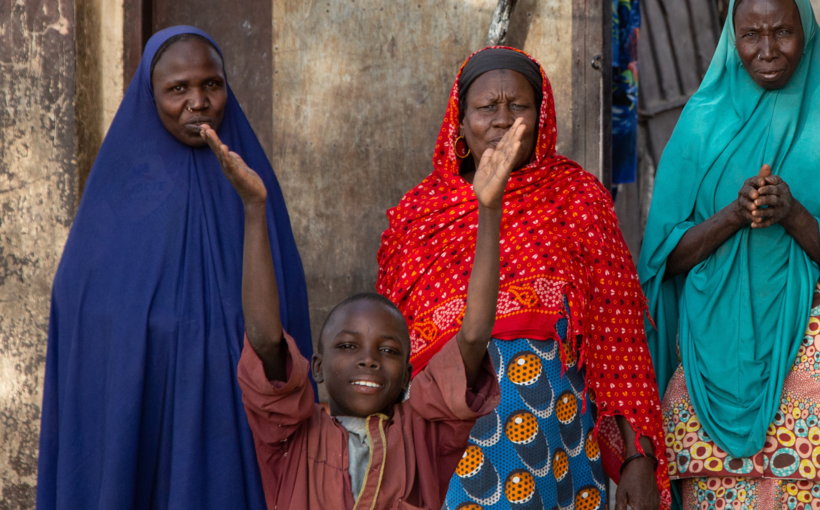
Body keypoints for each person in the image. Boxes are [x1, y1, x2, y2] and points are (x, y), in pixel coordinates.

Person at [638, 0, 820, 510]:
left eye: (783, 32)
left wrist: (794, 213)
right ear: (732, 38)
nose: (767, 49)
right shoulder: (700, 123)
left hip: (813, 354)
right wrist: (734, 214)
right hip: (710, 357)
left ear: (807, 34)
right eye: (751, 34)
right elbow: (663, 259)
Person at [376, 47, 670, 510]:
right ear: (459, 117)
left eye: (518, 106)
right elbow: (391, 347)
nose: (501, 119)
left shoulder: (578, 198)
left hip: (559, 444)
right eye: (486, 107)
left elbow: (620, 338)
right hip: (448, 448)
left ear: (542, 115)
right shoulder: (421, 213)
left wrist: (638, 458)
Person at [36, 27, 313, 510]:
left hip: (232, 428)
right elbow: (81, 311)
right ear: (151, 95)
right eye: (178, 89)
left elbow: (281, 325)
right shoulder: (115, 198)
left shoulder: (253, 185)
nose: (198, 102)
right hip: (142, 413)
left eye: (211, 84)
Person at [207, 112, 519, 509]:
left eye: (388, 351)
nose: (369, 360)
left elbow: (473, 337)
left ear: (408, 374)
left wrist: (489, 212)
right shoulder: (289, 433)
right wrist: (254, 208)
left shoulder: (424, 436)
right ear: (315, 366)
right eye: (348, 347)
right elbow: (267, 339)